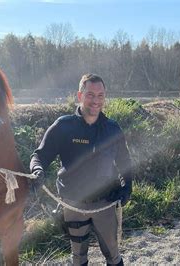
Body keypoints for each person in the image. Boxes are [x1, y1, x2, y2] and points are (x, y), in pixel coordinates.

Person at [30, 73, 132, 266]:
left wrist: (127, 188)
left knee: (113, 255)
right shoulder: (63, 126)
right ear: (80, 95)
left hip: (106, 204)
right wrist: (37, 171)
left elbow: (125, 162)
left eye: (100, 95)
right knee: (78, 258)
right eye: (90, 95)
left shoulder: (113, 129)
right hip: (73, 205)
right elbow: (39, 156)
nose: (96, 100)